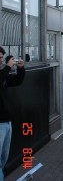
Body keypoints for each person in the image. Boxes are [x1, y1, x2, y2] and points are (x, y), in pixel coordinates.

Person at [0, 47, 25, 180]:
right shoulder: (2, 73)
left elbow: (16, 81)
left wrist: (20, 69)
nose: (0, 61)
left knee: (3, 159)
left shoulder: (2, 73)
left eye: (1, 58)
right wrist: (8, 67)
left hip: (7, 122)